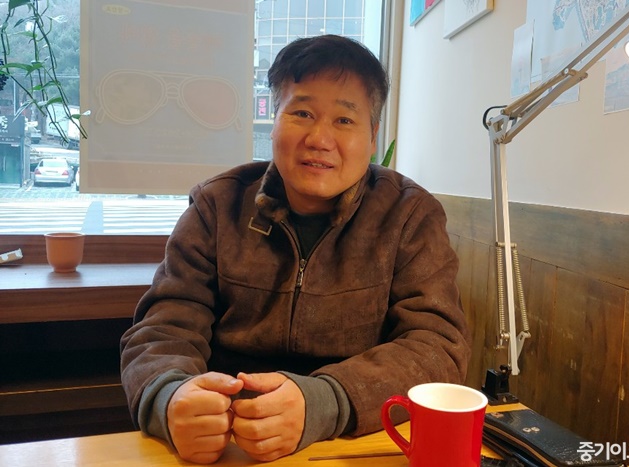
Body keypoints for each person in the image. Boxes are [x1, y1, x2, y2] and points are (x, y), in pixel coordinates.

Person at [120, 34, 470, 464]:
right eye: (302, 113)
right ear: (274, 120)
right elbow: (163, 327)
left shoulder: (408, 215)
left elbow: (438, 345)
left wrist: (323, 402)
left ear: (373, 137)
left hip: (350, 441)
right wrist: (171, 397)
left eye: (344, 120)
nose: (319, 138)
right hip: (228, 440)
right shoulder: (217, 205)